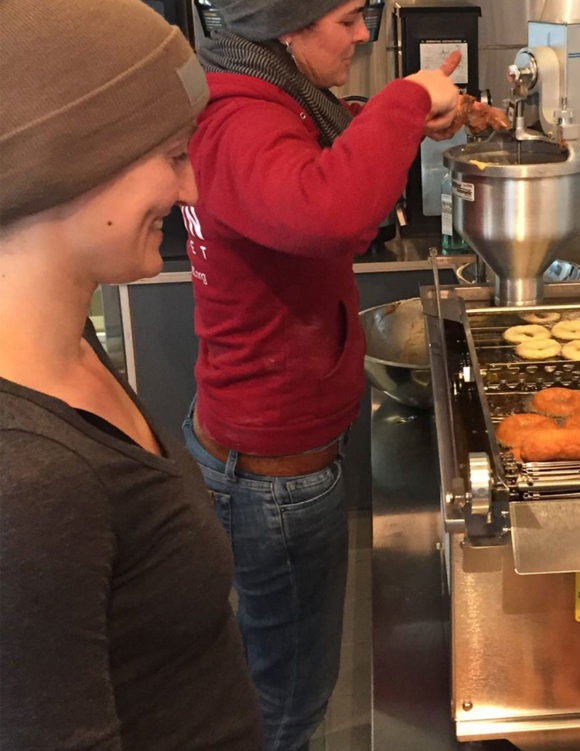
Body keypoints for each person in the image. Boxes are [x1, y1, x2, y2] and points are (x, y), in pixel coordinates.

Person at [179, 0, 462, 748]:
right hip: (274, 472)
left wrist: (394, 118)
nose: (364, 33)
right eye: (346, 20)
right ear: (286, 27)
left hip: (265, 453)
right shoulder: (241, 117)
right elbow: (328, 208)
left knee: (265, 668)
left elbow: (318, 156)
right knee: (289, 702)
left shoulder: (263, 94)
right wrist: (407, 98)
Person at [0, 1, 262, 749]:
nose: (193, 194)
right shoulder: (28, 477)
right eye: (175, 157)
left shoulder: (68, 344)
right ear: (69, 158)